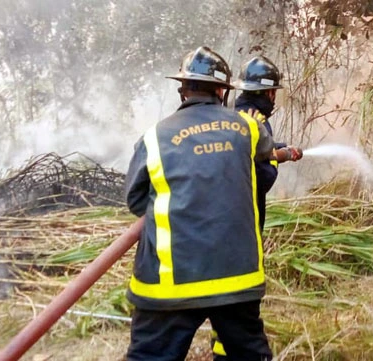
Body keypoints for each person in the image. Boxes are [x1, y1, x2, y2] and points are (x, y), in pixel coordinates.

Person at [124, 46, 275, 361]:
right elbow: (261, 177)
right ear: (222, 90)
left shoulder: (154, 137)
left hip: (170, 285)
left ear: (183, 90)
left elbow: (136, 200)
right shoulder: (248, 128)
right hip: (237, 280)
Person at [210, 55, 303, 361]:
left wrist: (278, 152)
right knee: (241, 297)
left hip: (226, 221)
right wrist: (276, 161)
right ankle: (231, 353)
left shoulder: (235, 114)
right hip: (243, 222)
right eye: (273, 91)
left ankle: (222, 348)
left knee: (224, 296)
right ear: (267, 93)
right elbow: (258, 177)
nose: (275, 98)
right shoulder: (255, 120)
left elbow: (255, 155)